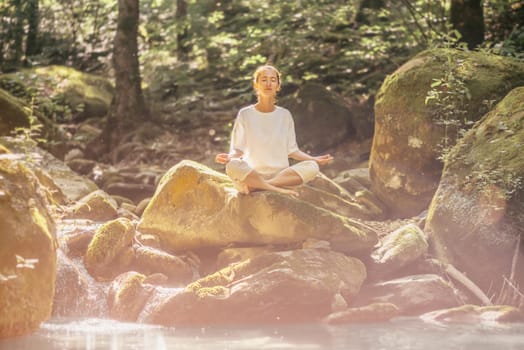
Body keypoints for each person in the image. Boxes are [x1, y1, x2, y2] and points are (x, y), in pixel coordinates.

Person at [215, 65, 333, 196]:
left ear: (278, 86)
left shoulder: (285, 115)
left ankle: (261, 186)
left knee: (312, 167)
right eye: (264, 79)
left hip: (281, 175)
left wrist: (314, 159)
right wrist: (229, 157)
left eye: (272, 80)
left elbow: (292, 151)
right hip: (251, 174)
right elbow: (238, 149)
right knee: (232, 165)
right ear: (256, 84)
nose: (268, 83)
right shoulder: (245, 114)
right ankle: (272, 187)